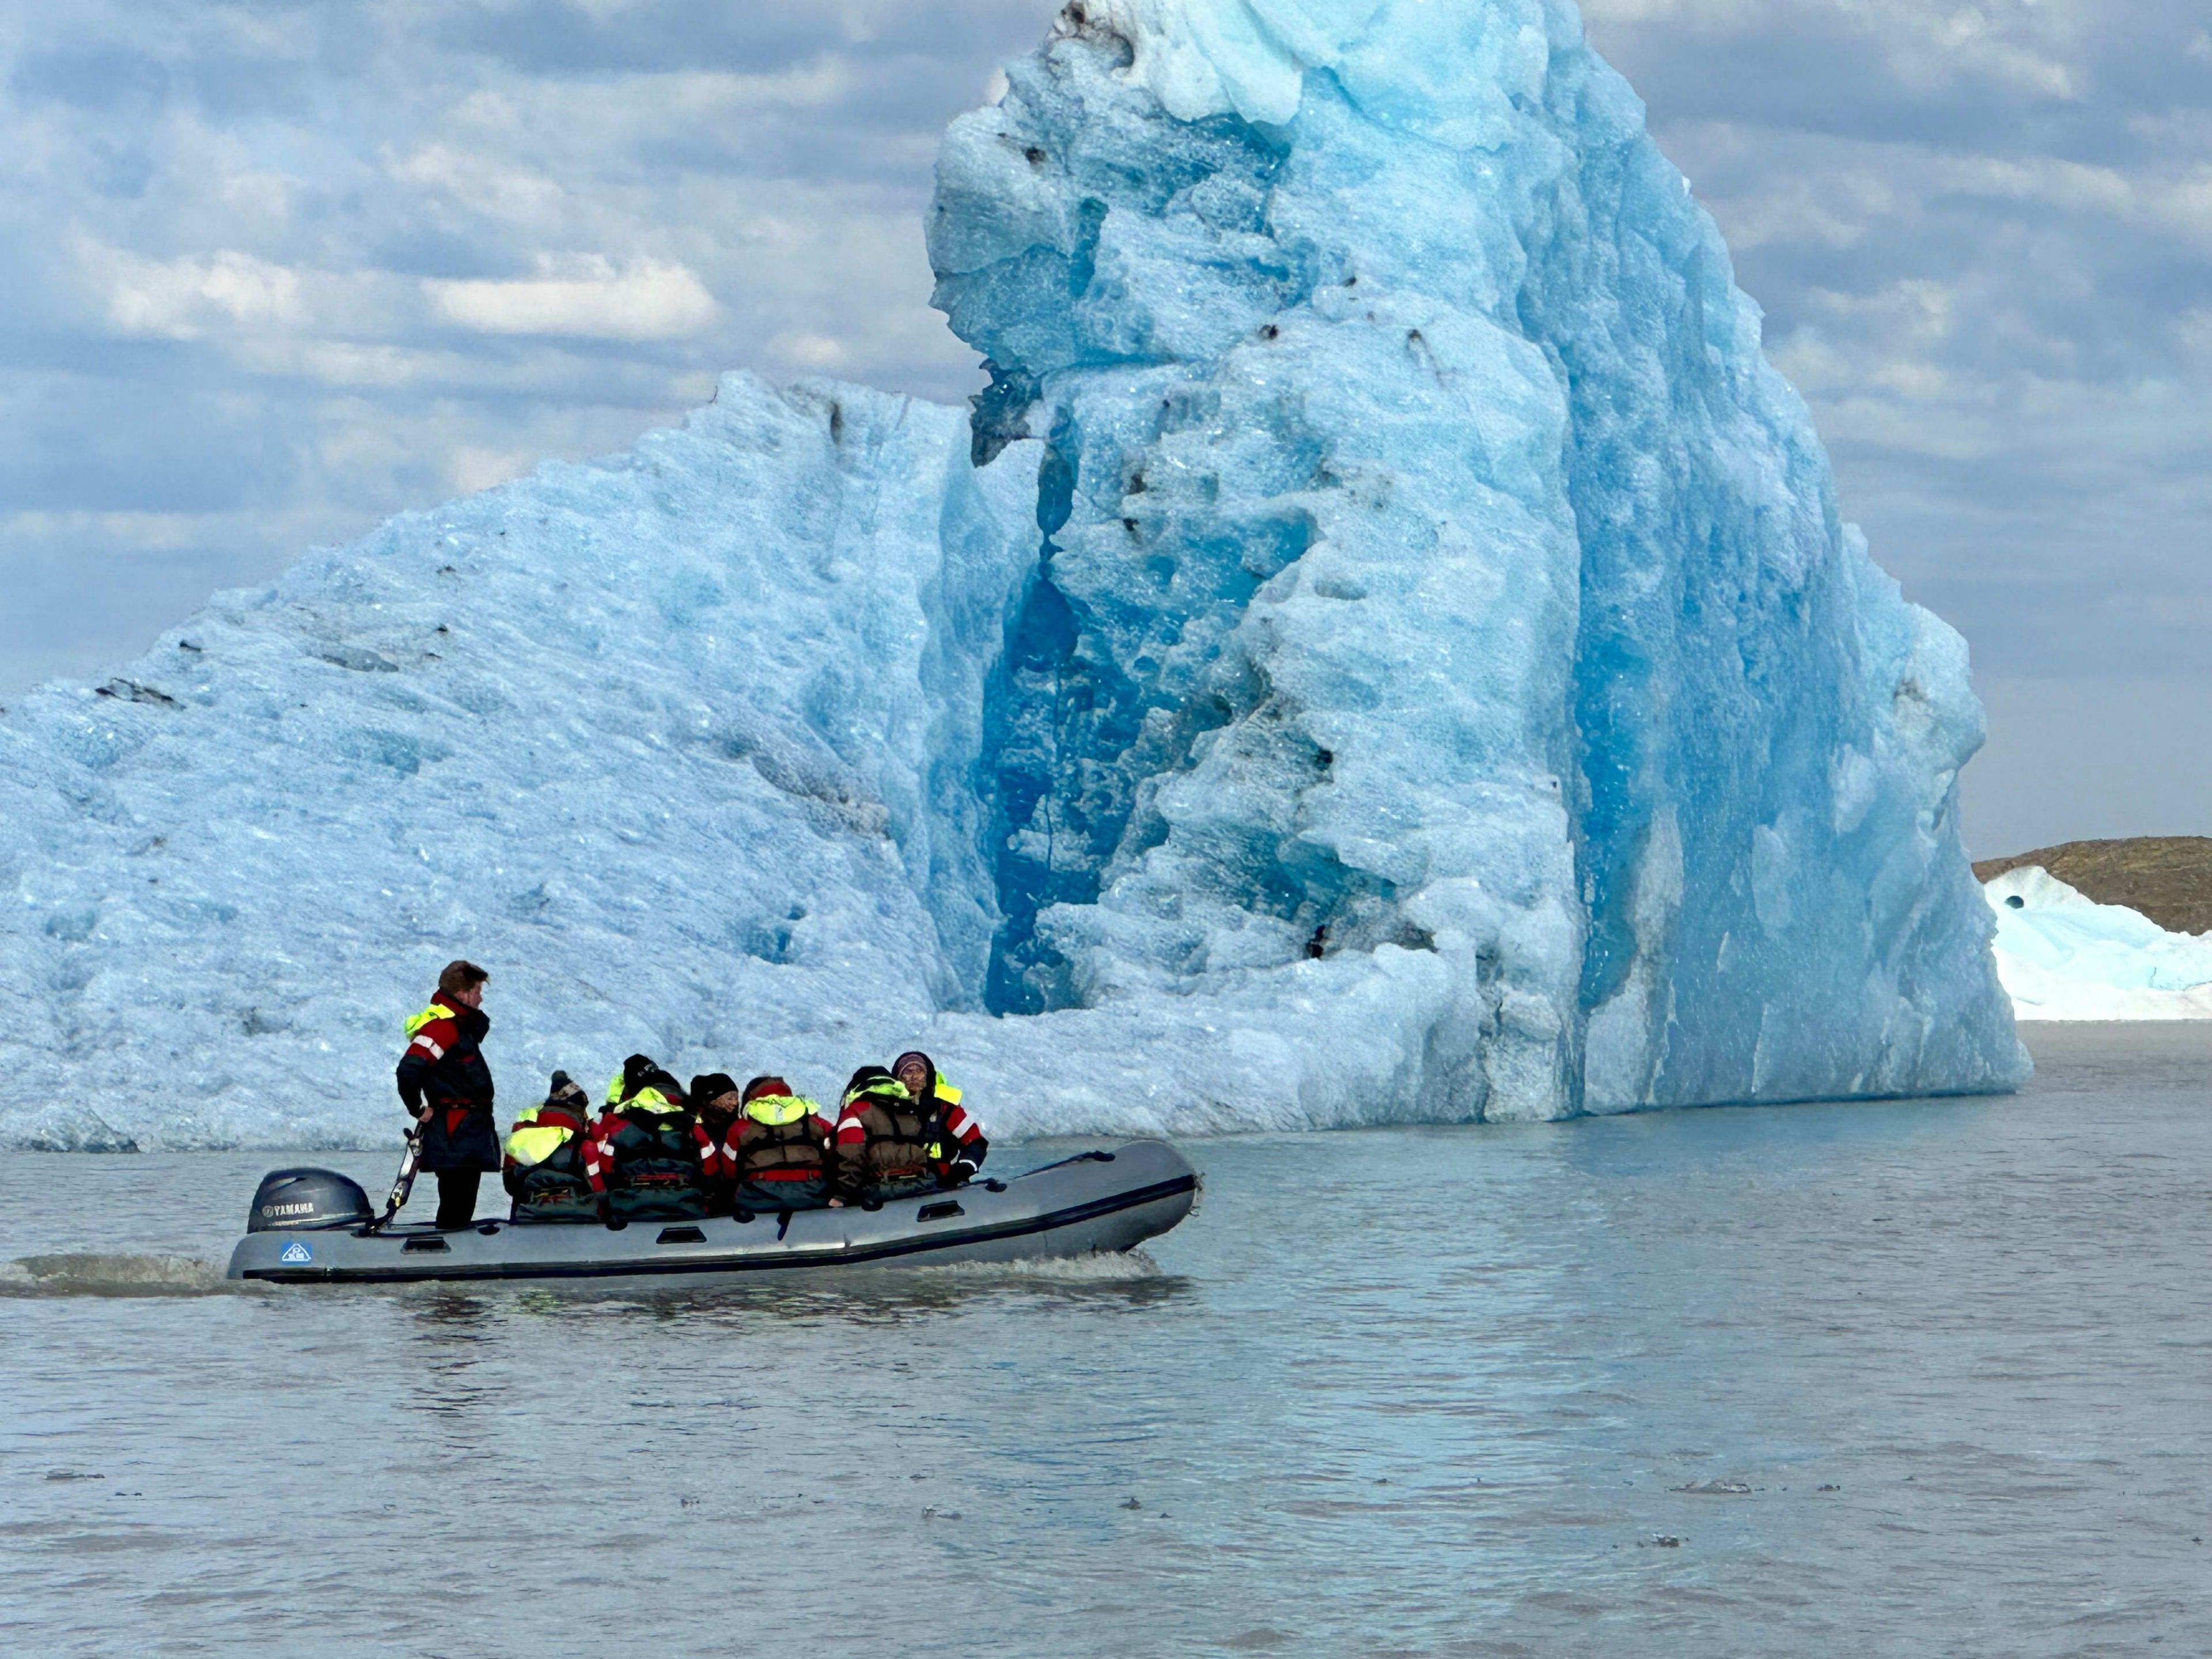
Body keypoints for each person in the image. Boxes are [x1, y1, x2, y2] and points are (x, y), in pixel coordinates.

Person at [395, 960, 499, 1229]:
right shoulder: (443, 1028)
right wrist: (418, 1109)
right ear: (462, 993)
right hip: (456, 1130)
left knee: (461, 1200)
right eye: (477, 990)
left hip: (467, 1130)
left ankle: (453, 1246)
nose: (481, 997)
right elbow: (409, 1068)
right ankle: (450, 1251)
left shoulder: (460, 1028)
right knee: (457, 1199)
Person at [584, 1055, 717, 1222]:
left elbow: (605, 1167)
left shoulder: (621, 1126)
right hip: (684, 1203)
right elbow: (710, 1167)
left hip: (631, 1206)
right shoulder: (692, 1125)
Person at [830, 1066, 939, 1205]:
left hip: (880, 1191)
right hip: (924, 1184)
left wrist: (843, 1195)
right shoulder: (909, 1107)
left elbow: (852, 1154)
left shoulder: (856, 1111)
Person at [725, 1075, 836, 1212]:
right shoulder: (815, 1123)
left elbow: (727, 1166)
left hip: (758, 1194)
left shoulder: (740, 1127)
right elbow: (836, 1150)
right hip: (812, 1192)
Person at [502, 1071, 598, 1222]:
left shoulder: (520, 1139)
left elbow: (511, 1187)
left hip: (528, 1216)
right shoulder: (585, 1144)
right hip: (579, 1216)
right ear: (577, 1109)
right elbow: (599, 1186)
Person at [891, 1050, 989, 1187]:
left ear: (928, 1075)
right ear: (899, 1079)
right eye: (907, 1072)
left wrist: (964, 1168)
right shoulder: (887, 1109)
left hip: (942, 1182)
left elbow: (975, 1142)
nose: (914, 1077)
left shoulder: (946, 1109)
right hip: (897, 1183)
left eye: (919, 1071)